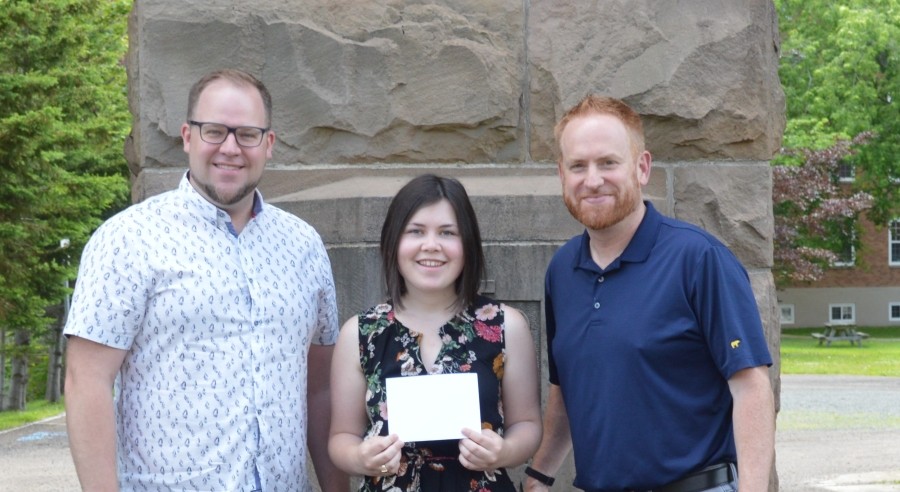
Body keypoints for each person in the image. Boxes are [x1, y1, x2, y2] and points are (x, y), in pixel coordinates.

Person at [64, 68, 348, 492]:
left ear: (268, 144)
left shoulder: (304, 246)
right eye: (214, 131)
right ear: (187, 137)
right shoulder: (128, 239)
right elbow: (86, 381)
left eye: (247, 134)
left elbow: (320, 389)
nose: (230, 148)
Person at [523, 95, 775, 492]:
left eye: (608, 162)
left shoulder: (699, 259)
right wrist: (539, 475)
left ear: (642, 168)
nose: (592, 180)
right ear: (561, 174)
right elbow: (568, 388)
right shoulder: (562, 271)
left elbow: (751, 386)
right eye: (578, 166)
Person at [328, 174, 542, 491]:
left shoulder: (505, 326)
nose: (431, 245)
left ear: (468, 244)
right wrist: (361, 458)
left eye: (447, 233)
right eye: (416, 231)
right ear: (393, 241)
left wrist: (505, 451)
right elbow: (341, 436)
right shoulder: (361, 333)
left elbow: (526, 424)